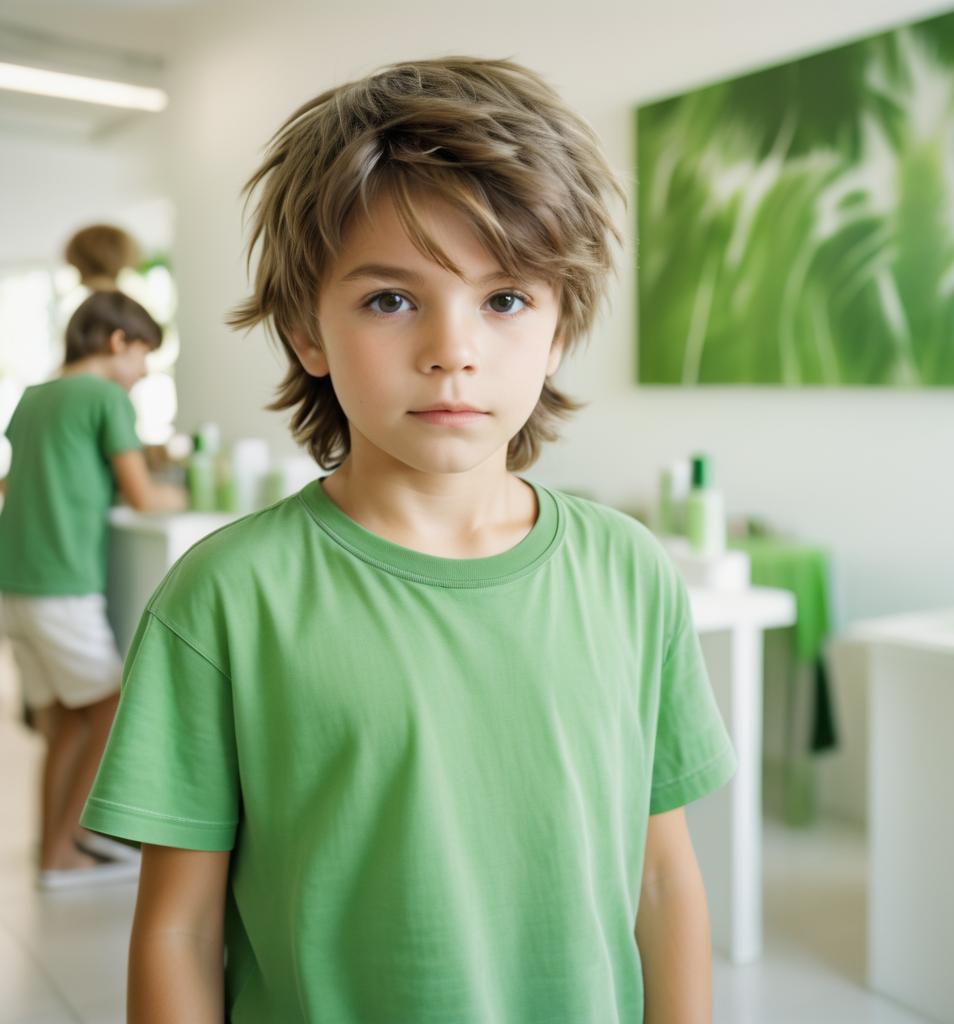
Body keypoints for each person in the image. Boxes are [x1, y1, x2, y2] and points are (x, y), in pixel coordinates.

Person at [82, 57, 737, 1022]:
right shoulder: (226, 597)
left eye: (505, 299)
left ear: (560, 328)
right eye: (391, 299)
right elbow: (178, 928)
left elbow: (664, 880)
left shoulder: (631, 572)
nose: (452, 349)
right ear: (309, 330)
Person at [0, 290, 187, 890]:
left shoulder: (33, 398)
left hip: (15, 584)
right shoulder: (106, 396)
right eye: (143, 358)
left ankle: (53, 849)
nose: (141, 374)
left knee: (63, 722)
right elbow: (142, 494)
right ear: (117, 343)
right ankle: (63, 851)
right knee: (108, 710)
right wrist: (182, 496)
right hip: (61, 586)